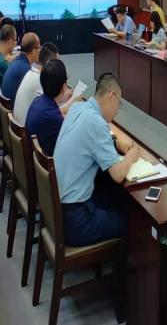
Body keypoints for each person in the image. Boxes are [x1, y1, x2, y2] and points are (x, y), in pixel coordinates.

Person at [54, 74, 140, 246]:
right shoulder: (96, 123)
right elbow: (118, 175)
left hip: (59, 207)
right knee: (133, 221)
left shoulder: (77, 108)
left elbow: (86, 141)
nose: (117, 111)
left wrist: (114, 143)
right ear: (111, 96)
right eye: (119, 104)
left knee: (110, 194)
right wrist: (132, 155)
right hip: (77, 221)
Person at [27, 59, 73, 155]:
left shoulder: (36, 102)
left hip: (35, 158)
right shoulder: (54, 118)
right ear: (64, 86)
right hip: (52, 162)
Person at [13, 42, 64, 125]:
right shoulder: (39, 79)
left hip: (21, 125)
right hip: (25, 129)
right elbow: (51, 111)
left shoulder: (32, 72)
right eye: (57, 64)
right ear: (49, 64)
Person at [2, 32, 40, 102]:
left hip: (6, 105)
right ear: (33, 50)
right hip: (13, 107)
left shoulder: (16, 61)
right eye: (39, 47)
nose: (40, 51)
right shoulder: (26, 71)